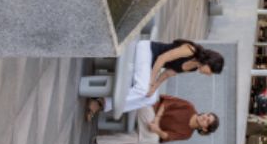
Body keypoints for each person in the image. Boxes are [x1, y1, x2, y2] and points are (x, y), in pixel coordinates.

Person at [86, 37, 225, 121]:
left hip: (150, 64)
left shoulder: (194, 67)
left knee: (151, 98)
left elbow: (168, 73)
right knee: (142, 89)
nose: (209, 74)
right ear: (209, 62)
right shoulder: (191, 50)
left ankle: (106, 104)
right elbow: (162, 58)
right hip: (148, 52)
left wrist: (154, 86)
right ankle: (99, 102)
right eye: (211, 72)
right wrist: (151, 80)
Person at [90, 95, 219, 144]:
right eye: (208, 115)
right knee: (150, 141)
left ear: (205, 129)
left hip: (150, 128)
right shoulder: (189, 107)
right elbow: (166, 102)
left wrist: (157, 130)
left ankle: (99, 143)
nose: (205, 117)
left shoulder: (187, 134)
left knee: (142, 140)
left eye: (208, 121)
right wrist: (157, 121)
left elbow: (167, 136)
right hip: (149, 106)